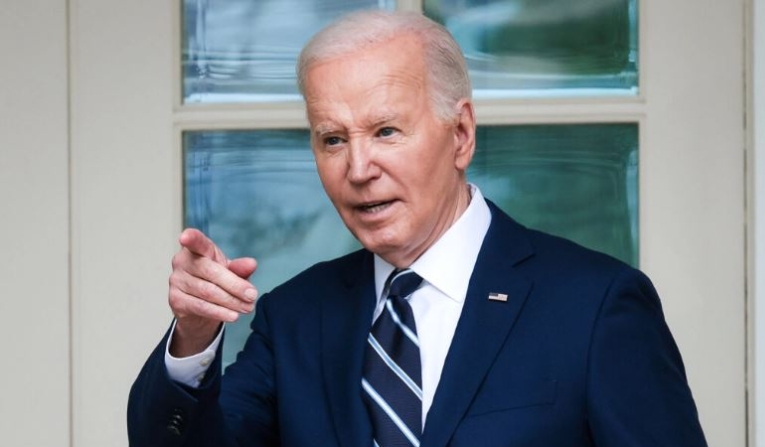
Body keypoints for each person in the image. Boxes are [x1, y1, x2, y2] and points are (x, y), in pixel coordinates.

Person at [128, 10, 708, 447]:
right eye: (333, 139)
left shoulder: (596, 306)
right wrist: (194, 339)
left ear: (460, 135)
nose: (358, 169)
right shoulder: (296, 319)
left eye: (386, 132)